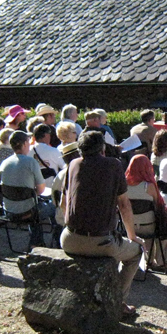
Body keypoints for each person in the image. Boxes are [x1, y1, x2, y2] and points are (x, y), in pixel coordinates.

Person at [62, 131, 143, 318]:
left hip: (69, 238)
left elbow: (63, 203)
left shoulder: (73, 164)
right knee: (136, 252)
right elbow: (124, 205)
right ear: (103, 148)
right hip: (100, 241)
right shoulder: (113, 165)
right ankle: (118, 301)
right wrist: (132, 237)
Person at [0, 130, 57, 248]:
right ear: (25, 144)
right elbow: (41, 190)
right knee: (54, 205)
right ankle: (53, 242)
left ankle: (37, 242)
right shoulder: (31, 162)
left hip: (9, 210)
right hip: (28, 212)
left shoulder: (4, 163)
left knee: (33, 204)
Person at [125, 154, 167, 272]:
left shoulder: (123, 185)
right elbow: (158, 206)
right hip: (148, 226)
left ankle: (144, 260)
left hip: (128, 226)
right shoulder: (149, 186)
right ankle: (160, 261)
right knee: (160, 225)